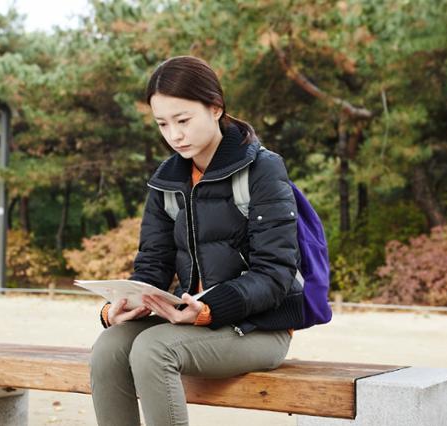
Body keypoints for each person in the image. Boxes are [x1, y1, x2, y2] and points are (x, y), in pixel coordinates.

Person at [89, 55, 304, 426]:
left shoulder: (262, 169)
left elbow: (275, 274)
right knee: (108, 347)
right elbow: (152, 265)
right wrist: (121, 307)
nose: (174, 135)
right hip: (188, 321)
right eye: (162, 124)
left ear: (215, 108)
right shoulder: (166, 180)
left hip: (259, 327)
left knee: (153, 350)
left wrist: (208, 309)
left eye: (183, 120)